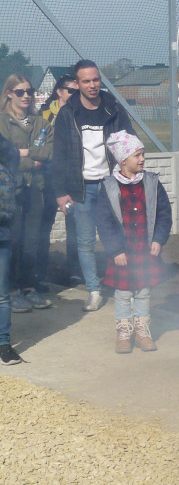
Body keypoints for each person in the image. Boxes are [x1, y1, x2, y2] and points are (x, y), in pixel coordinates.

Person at [52, 59, 135, 312]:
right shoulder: (68, 114)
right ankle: (94, 291)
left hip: (112, 185)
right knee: (86, 242)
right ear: (76, 84)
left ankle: (125, 286)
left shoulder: (114, 109)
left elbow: (130, 143)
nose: (92, 85)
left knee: (119, 238)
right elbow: (60, 155)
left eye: (96, 79)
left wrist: (128, 176)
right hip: (82, 188)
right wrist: (60, 191)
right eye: (86, 81)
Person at [95, 131, 171, 353]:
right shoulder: (109, 187)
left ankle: (142, 330)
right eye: (137, 155)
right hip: (123, 252)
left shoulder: (152, 183)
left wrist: (158, 239)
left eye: (143, 154)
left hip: (145, 250)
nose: (142, 159)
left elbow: (164, 213)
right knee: (123, 292)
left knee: (144, 290)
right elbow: (104, 221)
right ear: (122, 160)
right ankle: (124, 331)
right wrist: (115, 250)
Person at [0, 74, 53, 312]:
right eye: (20, 92)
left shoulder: (41, 123)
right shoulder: (2, 122)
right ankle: (10, 290)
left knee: (32, 240)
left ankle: (28, 287)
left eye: (29, 91)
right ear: (9, 93)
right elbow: (5, 159)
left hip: (34, 188)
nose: (26, 96)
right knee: (12, 240)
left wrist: (22, 153)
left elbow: (48, 153)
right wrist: (27, 157)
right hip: (9, 191)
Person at [39, 73, 80, 287]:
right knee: (43, 224)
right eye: (71, 91)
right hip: (46, 178)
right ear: (59, 91)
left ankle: (74, 270)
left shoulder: (78, 113)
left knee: (74, 224)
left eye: (77, 91)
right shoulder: (44, 114)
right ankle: (40, 271)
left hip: (70, 178)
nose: (75, 95)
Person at [0, 131, 24, 365]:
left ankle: (4, 345)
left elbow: (14, 155)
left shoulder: (4, 146)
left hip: (2, 232)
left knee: (2, 295)